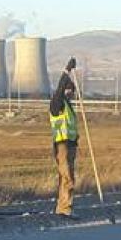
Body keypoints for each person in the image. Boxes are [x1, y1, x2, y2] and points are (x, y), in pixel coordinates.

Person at [49, 59, 79, 218]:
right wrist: (67, 71)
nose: (71, 94)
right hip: (62, 146)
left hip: (71, 146)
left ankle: (63, 207)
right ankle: (65, 208)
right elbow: (59, 89)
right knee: (67, 178)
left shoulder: (69, 107)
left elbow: (72, 129)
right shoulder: (57, 104)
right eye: (69, 91)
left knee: (67, 178)